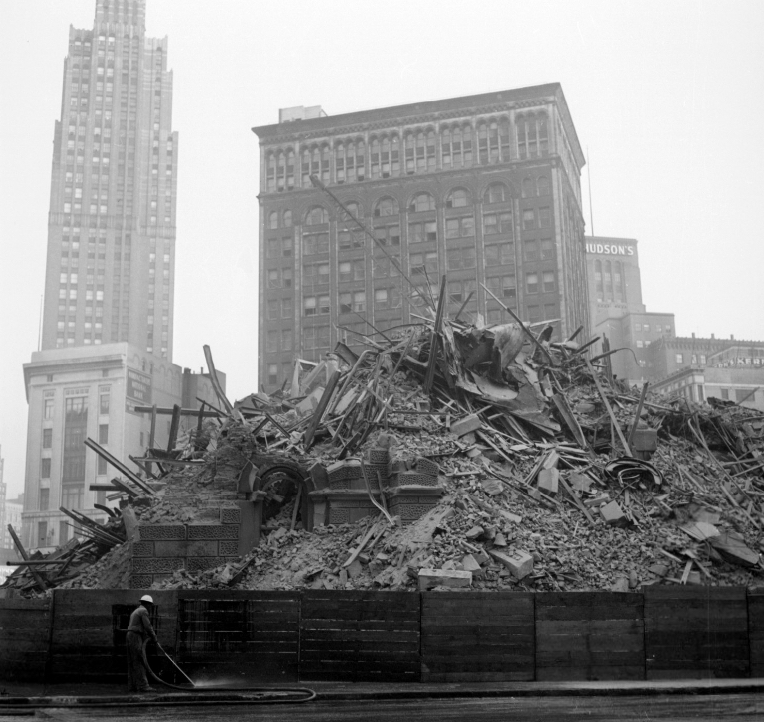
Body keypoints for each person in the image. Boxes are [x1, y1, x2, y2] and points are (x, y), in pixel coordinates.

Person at [126, 594, 160, 693]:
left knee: (132, 661)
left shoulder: (136, 611)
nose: (150, 607)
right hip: (135, 636)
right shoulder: (143, 611)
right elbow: (148, 626)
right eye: (150, 605)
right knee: (140, 659)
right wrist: (154, 637)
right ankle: (143, 686)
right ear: (147, 604)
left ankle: (133, 686)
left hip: (130, 635)